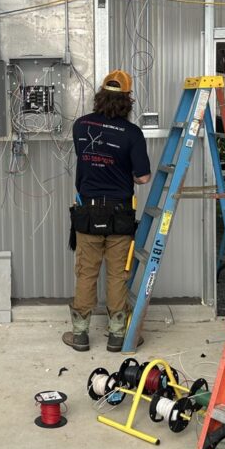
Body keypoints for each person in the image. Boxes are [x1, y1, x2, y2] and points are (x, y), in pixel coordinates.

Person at [65, 70, 152, 353]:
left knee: (86, 273)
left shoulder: (80, 126)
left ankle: (80, 333)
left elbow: (85, 158)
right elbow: (143, 178)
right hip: (119, 215)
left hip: (88, 213)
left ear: (100, 96)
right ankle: (117, 335)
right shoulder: (132, 134)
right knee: (117, 274)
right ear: (127, 101)